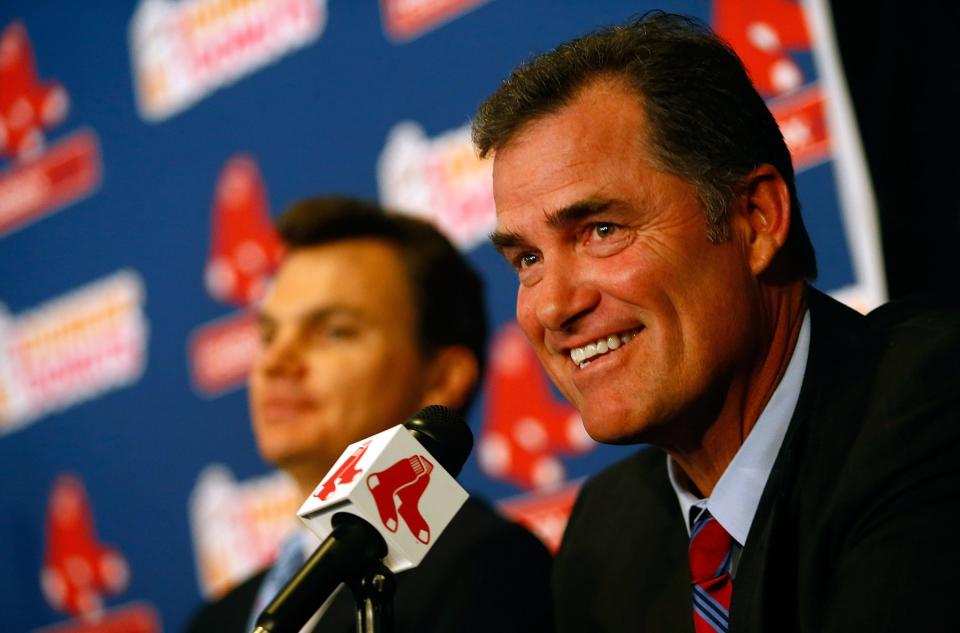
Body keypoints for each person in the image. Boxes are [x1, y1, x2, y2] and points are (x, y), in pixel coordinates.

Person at [473, 11, 960, 633]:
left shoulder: (930, 408)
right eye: (528, 259)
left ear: (756, 219)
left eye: (601, 230)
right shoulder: (609, 530)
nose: (552, 307)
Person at [183, 197, 554, 633]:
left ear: (442, 378)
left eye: (333, 331)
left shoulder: (487, 566)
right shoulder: (217, 620)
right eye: (268, 334)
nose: (275, 362)